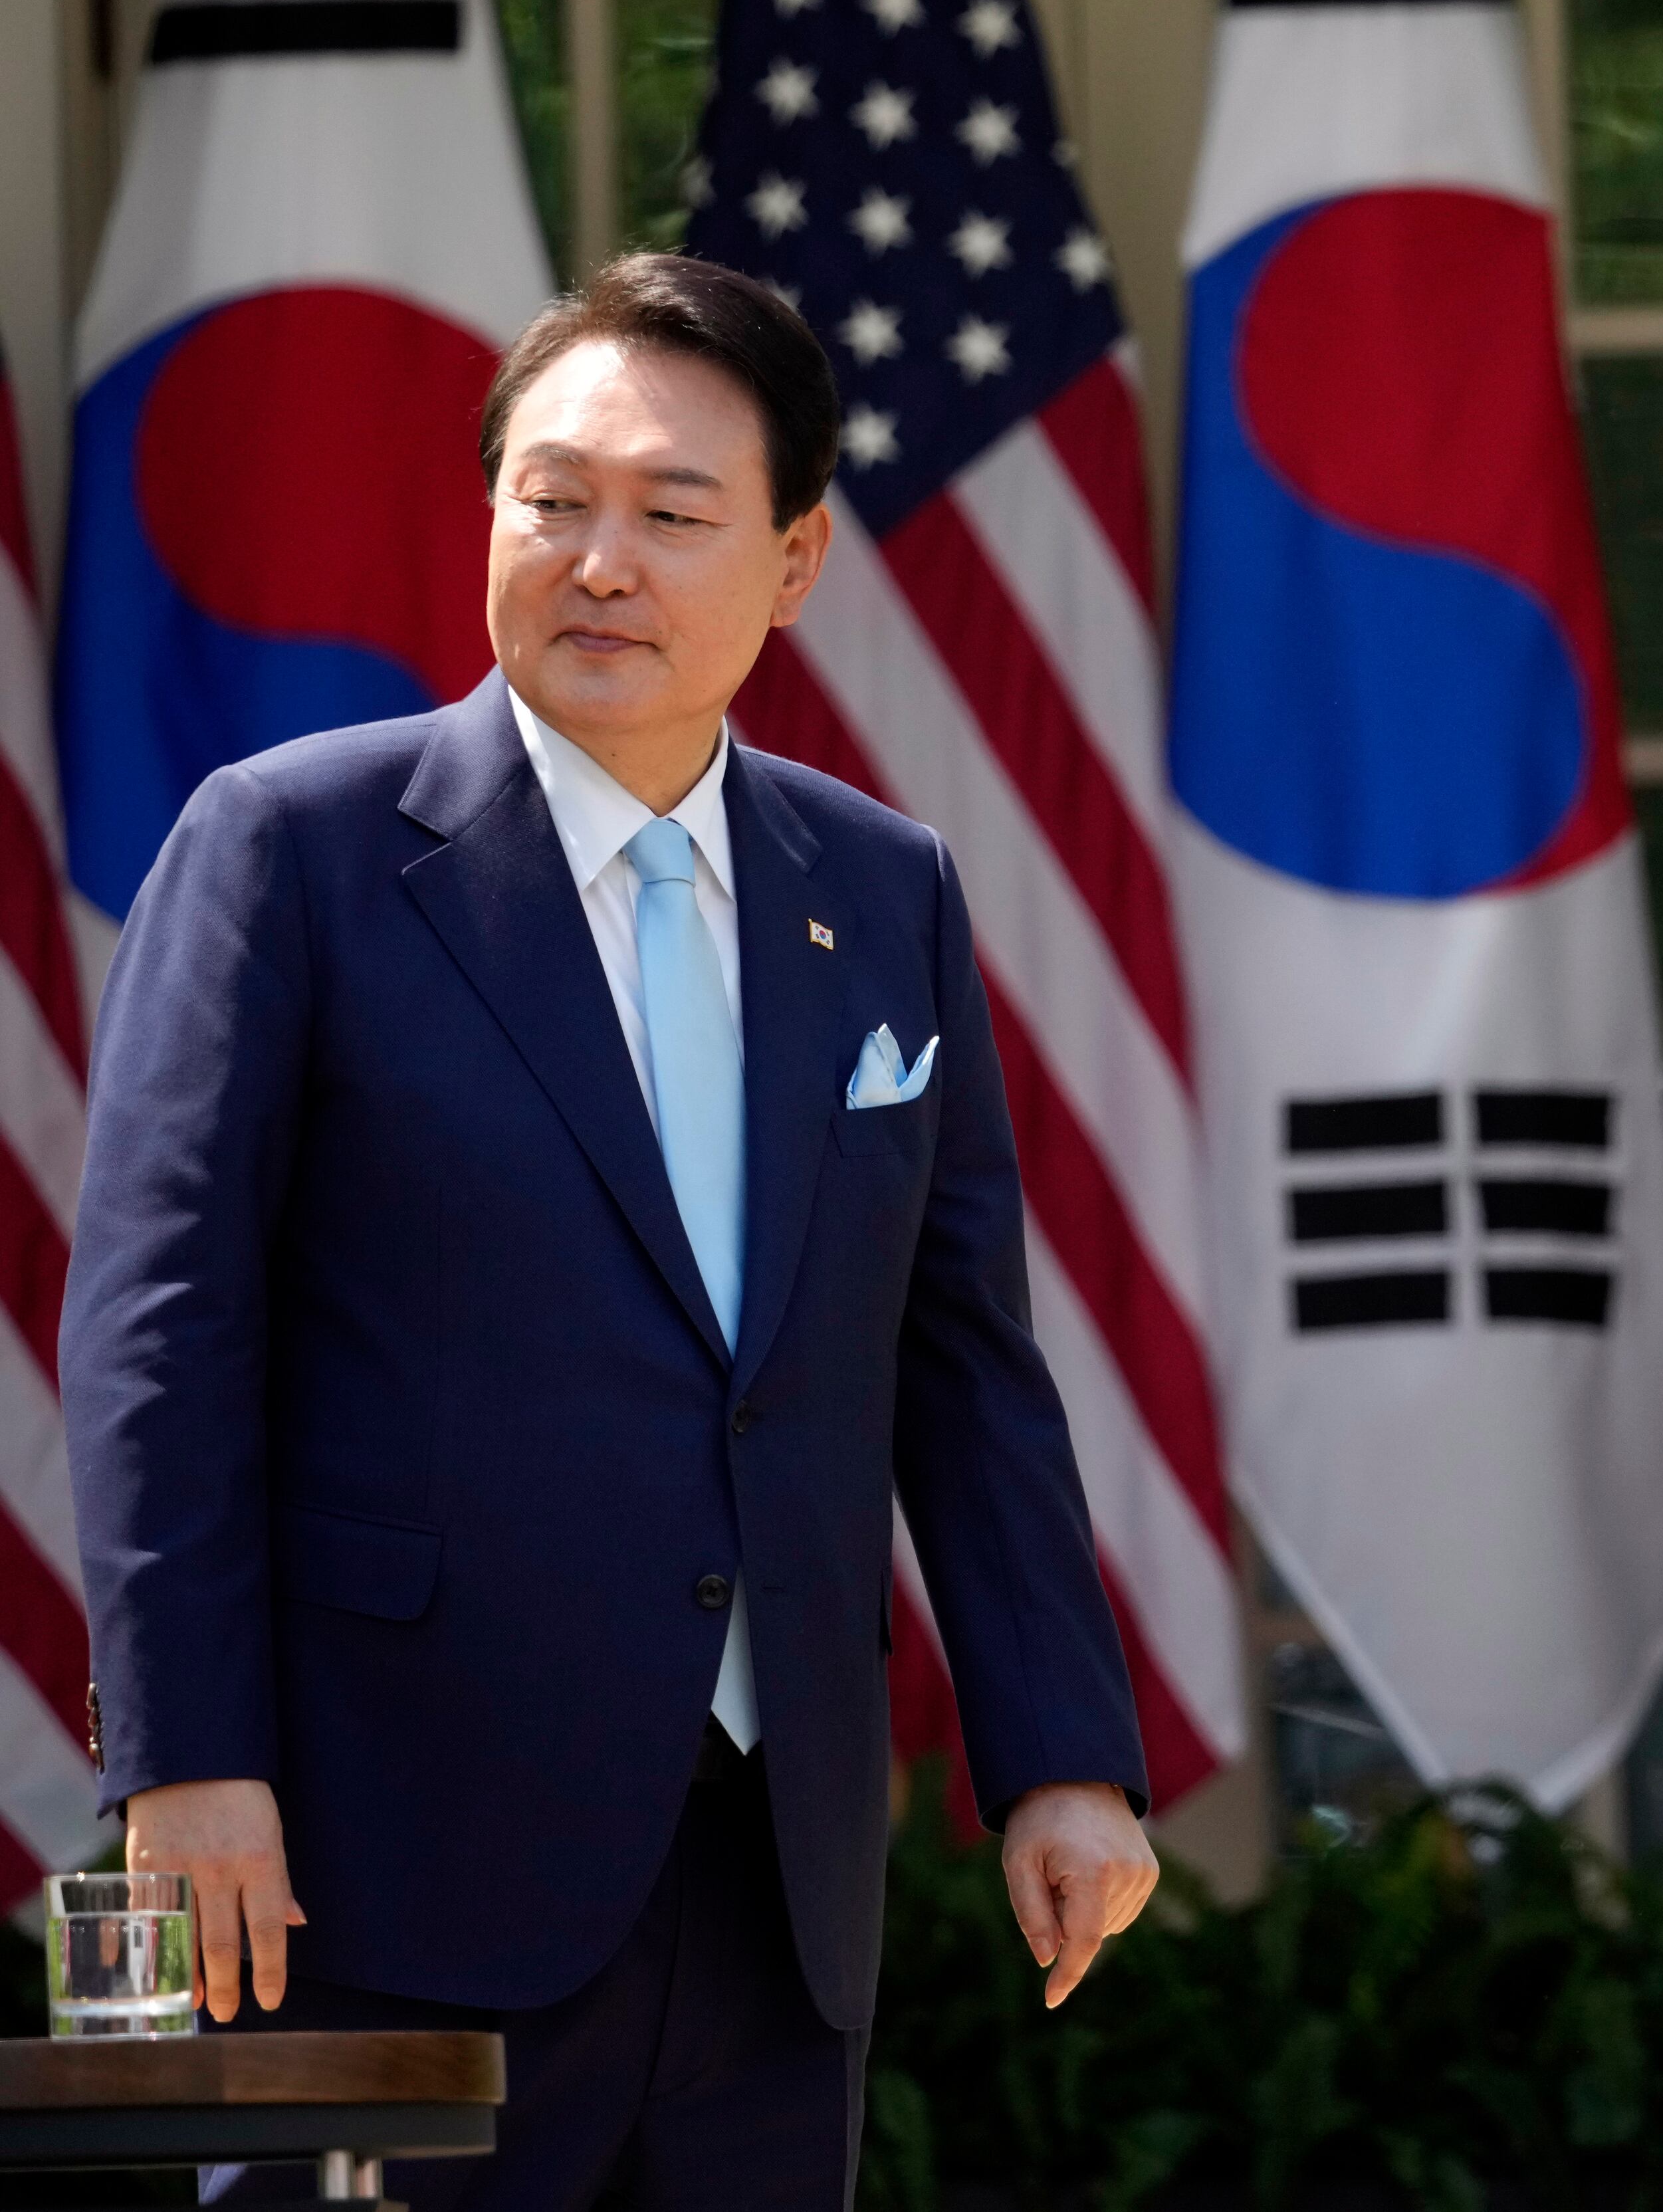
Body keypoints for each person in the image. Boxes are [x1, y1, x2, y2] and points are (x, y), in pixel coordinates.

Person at [65, 253, 1159, 2208]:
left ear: (797, 559)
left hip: (773, 1881)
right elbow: (162, 1331)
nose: (600, 561)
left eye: (670, 515)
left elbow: (959, 1360)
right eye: (550, 500)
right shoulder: (293, 850)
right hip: (376, 1861)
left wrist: (1061, 1748)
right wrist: (186, 1751)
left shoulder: (883, 889)